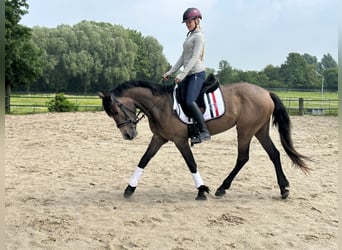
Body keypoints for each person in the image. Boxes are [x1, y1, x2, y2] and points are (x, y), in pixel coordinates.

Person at [163, 7, 211, 144]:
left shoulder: (199, 37)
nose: (188, 24)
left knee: (190, 101)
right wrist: (170, 72)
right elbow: (183, 57)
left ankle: (204, 131)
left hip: (196, 74)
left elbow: (195, 58)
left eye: (190, 22)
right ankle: (191, 128)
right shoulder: (190, 36)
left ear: (197, 21)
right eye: (186, 22)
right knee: (178, 97)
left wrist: (182, 75)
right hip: (188, 74)